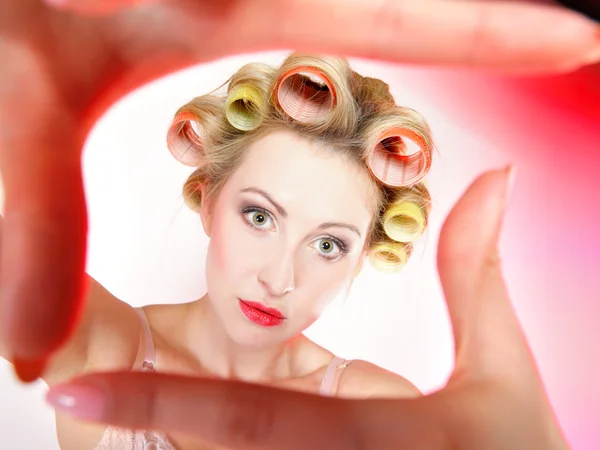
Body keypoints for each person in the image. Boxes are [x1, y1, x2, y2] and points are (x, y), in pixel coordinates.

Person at [1, 0, 597, 449]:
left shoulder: (380, 411)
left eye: (329, 244)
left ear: (365, 253)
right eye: (259, 216)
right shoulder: (103, 349)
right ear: (208, 201)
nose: (281, 278)